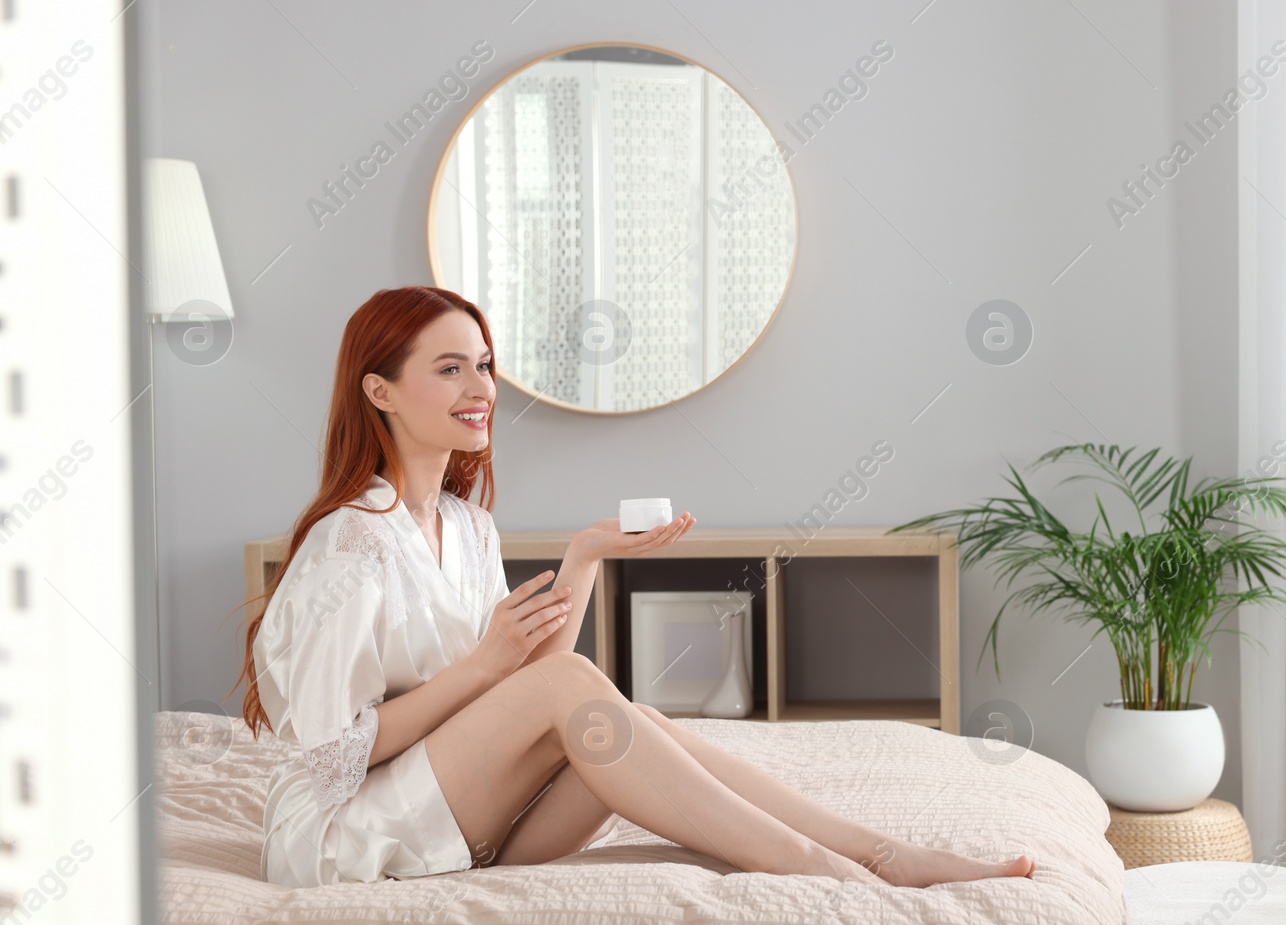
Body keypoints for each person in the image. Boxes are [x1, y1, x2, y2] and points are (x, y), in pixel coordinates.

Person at [231, 285, 1037, 890]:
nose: (480, 388)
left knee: (628, 721)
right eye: (449, 369)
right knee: (581, 696)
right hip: (343, 838)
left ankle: (878, 852)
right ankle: (816, 863)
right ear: (380, 391)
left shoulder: (466, 525)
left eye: (483, 365)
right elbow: (331, 751)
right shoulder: (351, 540)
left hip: (454, 816)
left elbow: (526, 688)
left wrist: (584, 559)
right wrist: (480, 668)